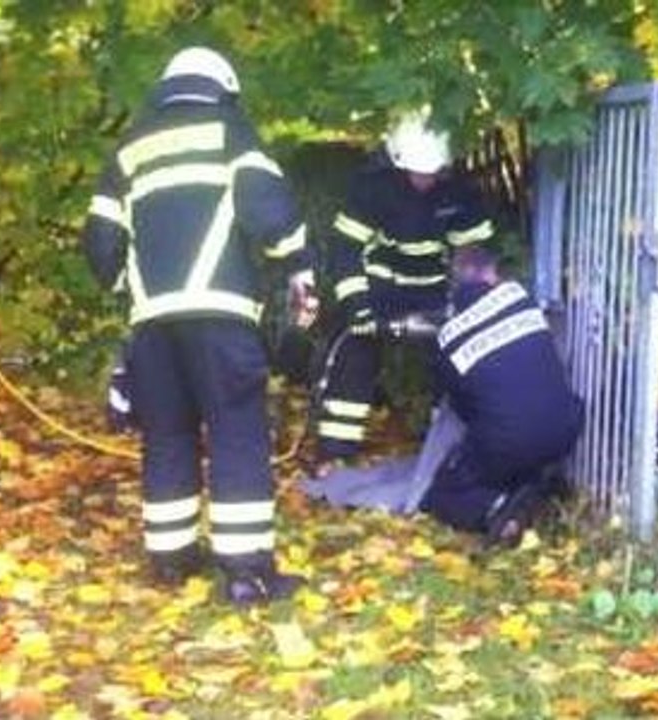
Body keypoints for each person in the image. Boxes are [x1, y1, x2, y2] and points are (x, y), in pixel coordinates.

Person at [82, 47, 318, 605]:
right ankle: (246, 572)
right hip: (220, 316)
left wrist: (127, 286)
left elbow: (100, 243)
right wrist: (297, 264)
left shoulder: (130, 147)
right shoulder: (229, 132)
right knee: (237, 432)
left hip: (153, 326)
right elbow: (272, 214)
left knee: (167, 433)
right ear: (223, 87)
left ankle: (171, 557)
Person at [317, 108, 496, 466]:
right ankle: (336, 452)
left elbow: (474, 256)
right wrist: (358, 308)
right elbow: (345, 250)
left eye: (432, 173)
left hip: (433, 292)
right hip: (379, 290)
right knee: (354, 354)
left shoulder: (459, 193)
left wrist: (470, 307)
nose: (424, 179)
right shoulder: (373, 189)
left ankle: (448, 449)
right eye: (417, 172)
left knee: (455, 363)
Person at [421, 247, 583, 547]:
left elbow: (464, 408)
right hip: (566, 426)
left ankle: (499, 513)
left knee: (441, 492)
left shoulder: (448, 338)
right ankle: (540, 486)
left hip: (508, 442)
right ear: (491, 274)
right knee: (513, 449)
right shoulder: (520, 299)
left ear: (454, 282)